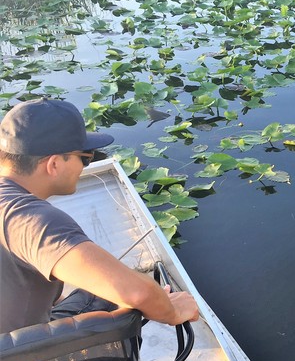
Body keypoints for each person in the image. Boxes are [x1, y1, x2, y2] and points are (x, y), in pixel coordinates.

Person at [0, 98, 199, 333]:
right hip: (22, 353)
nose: (86, 164)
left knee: (98, 294)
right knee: (123, 306)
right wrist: (173, 310)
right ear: (54, 164)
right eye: (86, 157)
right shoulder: (30, 219)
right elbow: (138, 293)